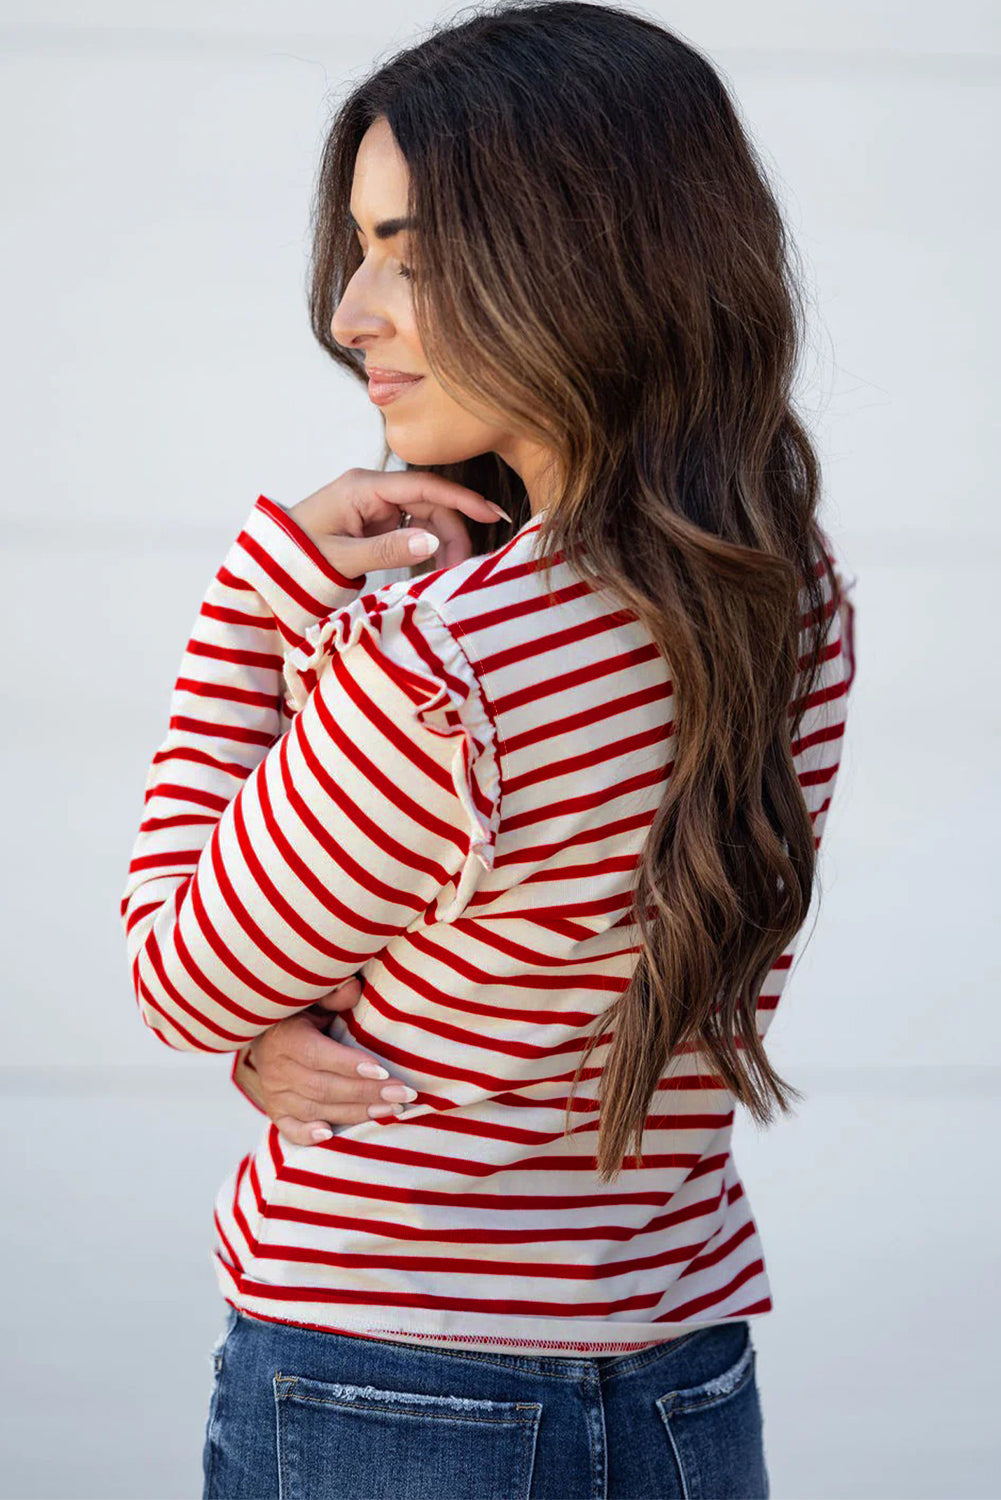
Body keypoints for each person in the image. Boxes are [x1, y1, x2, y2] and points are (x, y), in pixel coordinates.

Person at [119, 3, 858, 1496]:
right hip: (677, 1372)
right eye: (358, 247)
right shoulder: (780, 591)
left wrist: (251, 609)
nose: (350, 311)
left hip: (386, 1381)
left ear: (584, 256)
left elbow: (177, 975)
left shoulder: (451, 661)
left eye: (410, 248)